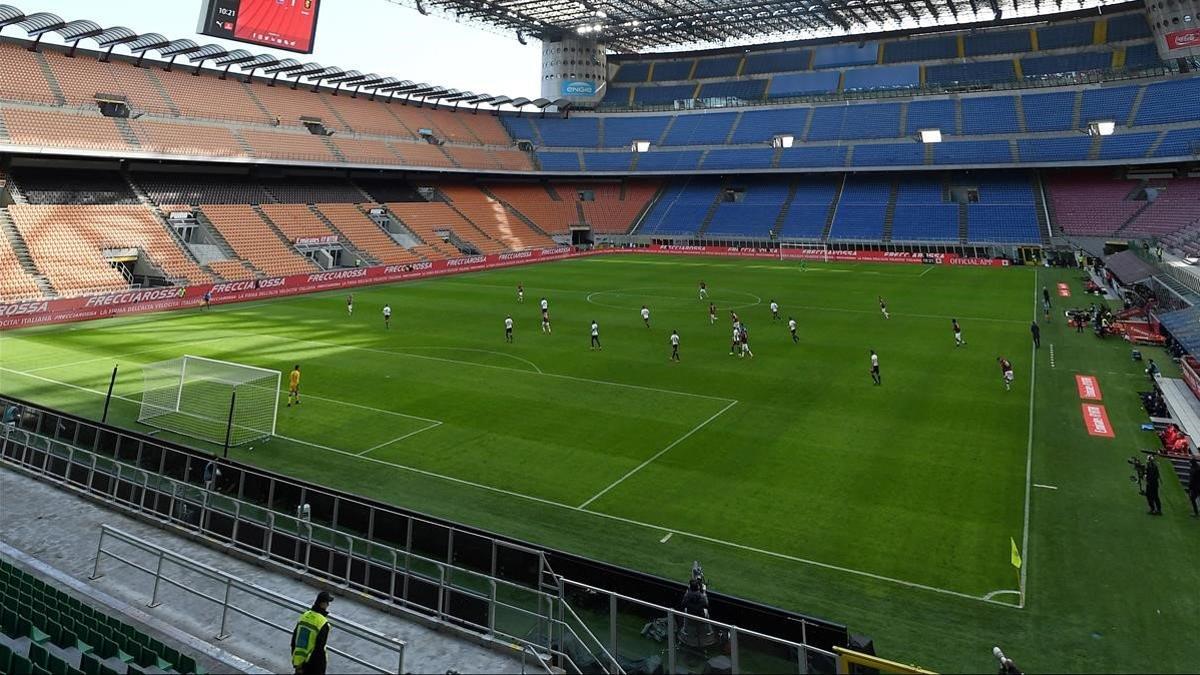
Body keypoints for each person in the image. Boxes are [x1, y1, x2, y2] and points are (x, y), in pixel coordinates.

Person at [291, 591, 333, 675]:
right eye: (327, 602)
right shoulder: (323, 623)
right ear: (322, 604)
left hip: (299, 662)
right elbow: (319, 649)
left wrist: (298, 665)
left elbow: (294, 641)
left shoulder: (304, 616)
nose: (328, 605)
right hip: (314, 666)